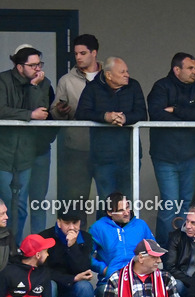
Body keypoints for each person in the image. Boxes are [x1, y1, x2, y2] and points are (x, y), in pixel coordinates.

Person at [147, 52, 195, 243]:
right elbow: (156, 114)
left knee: (185, 207)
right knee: (169, 204)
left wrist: (176, 110)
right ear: (176, 70)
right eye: (190, 68)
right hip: (165, 156)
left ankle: (181, 249)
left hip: (190, 156)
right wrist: (187, 116)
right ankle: (164, 252)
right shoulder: (161, 86)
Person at [75, 56, 148, 201]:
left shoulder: (134, 86)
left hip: (129, 155)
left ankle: (124, 226)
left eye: (127, 71)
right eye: (122, 72)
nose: (127, 75)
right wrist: (105, 117)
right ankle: (105, 225)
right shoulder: (93, 88)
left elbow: (142, 113)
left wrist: (125, 118)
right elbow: (81, 113)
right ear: (108, 75)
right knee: (106, 201)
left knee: (127, 202)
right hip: (103, 157)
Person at [0, 46, 52, 240]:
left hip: (26, 154)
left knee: (21, 206)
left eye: (40, 64)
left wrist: (34, 87)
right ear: (20, 67)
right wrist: (29, 115)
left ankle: (15, 249)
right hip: (3, 152)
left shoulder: (42, 83)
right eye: (33, 65)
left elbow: (42, 111)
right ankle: (4, 249)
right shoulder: (3, 80)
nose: (38, 69)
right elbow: (1, 110)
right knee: (6, 205)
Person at [52, 33, 101, 215]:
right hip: (77, 147)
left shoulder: (108, 76)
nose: (78, 57)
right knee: (76, 200)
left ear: (94, 53)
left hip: (105, 147)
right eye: (76, 54)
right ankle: (77, 241)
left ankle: (103, 241)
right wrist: (60, 110)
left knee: (107, 199)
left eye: (83, 53)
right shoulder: (67, 80)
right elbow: (54, 111)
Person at [39, 211, 97, 297]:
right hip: (51, 289)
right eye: (66, 223)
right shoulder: (45, 237)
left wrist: (73, 246)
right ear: (59, 222)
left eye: (75, 223)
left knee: (85, 287)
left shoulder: (86, 238)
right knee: (50, 285)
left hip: (72, 290)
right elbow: (43, 272)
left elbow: (84, 268)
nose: (71, 227)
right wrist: (73, 278)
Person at [89, 191, 156, 283]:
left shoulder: (141, 225)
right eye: (121, 210)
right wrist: (104, 269)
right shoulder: (98, 227)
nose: (126, 213)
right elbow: (85, 256)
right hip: (111, 281)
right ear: (109, 212)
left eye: (127, 207)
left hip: (140, 279)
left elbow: (154, 250)